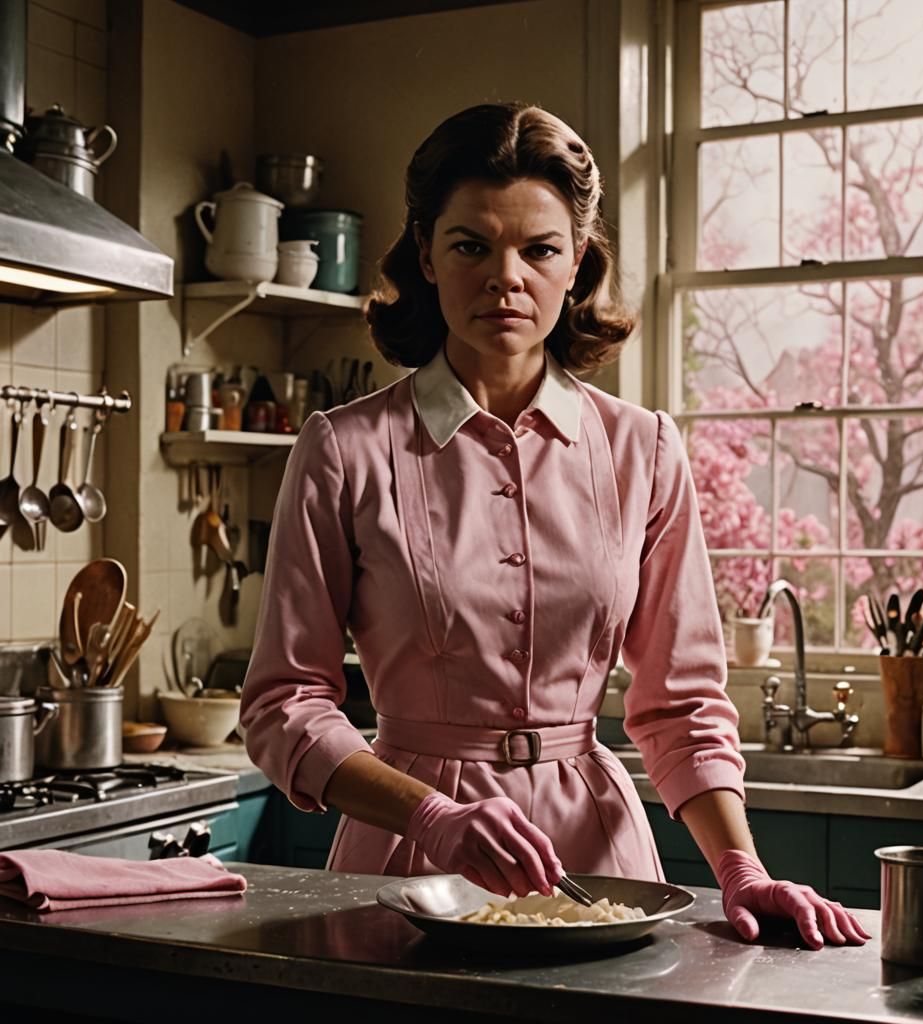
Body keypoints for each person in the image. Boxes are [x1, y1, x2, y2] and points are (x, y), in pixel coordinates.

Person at [240, 102, 868, 950]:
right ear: (425, 254)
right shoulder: (345, 450)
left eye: (538, 249)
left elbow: (680, 704)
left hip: (600, 862)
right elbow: (284, 703)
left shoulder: (643, 449)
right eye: (471, 245)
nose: (506, 276)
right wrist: (432, 816)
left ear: (576, 262)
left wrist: (741, 871)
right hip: (405, 859)